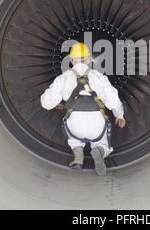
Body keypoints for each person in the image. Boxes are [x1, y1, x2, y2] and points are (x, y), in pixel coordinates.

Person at [41, 42, 126, 176]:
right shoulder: (99, 77)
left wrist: (58, 102)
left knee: (73, 136)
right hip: (97, 126)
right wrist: (119, 116)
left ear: (71, 60)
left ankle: (78, 156)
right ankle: (100, 150)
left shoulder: (63, 78)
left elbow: (46, 103)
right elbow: (114, 101)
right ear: (88, 59)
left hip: (75, 126)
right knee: (102, 140)